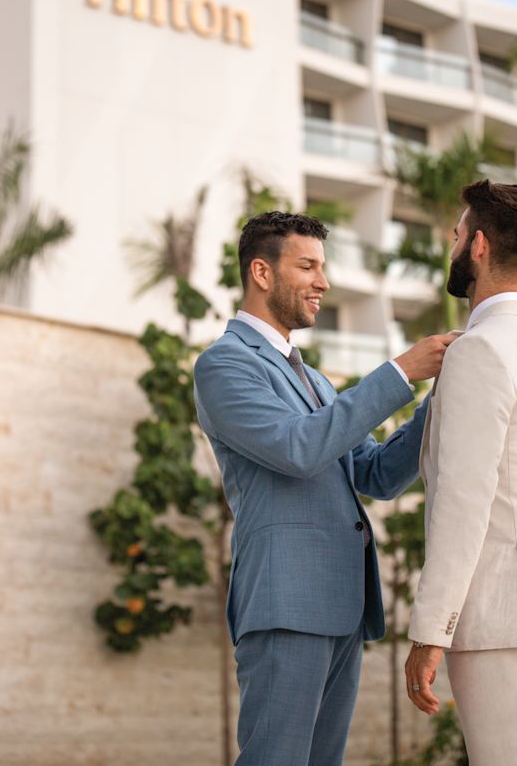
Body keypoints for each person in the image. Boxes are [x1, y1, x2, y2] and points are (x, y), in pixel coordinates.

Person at [194, 211, 456, 766]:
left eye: (322, 267)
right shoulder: (224, 365)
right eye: (308, 266)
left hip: (341, 605)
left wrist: (443, 396)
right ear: (262, 272)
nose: (324, 282)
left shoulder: (313, 379)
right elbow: (298, 448)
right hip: (285, 603)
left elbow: (376, 474)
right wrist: (400, 372)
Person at [404, 180, 517, 766]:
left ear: (479, 246)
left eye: (458, 234)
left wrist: (430, 630)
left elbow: (463, 502)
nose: (453, 244)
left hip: (497, 610)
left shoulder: (479, 350)